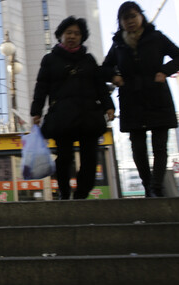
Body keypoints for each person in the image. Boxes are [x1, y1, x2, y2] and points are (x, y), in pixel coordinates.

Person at [102, 1, 179, 198]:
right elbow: (104, 68)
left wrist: (164, 71)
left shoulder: (156, 37)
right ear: (120, 22)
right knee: (138, 146)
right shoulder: (118, 44)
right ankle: (148, 185)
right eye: (125, 18)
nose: (130, 21)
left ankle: (157, 187)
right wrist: (114, 76)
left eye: (133, 16)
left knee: (160, 145)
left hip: (157, 96)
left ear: (141, 16)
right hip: (131, 99)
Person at [30, 16, 115, 200]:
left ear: (82, 37)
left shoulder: (88, 59)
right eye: (68, 32)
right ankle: (64, 192)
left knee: (90, 158)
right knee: (64, 158)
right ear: (60, 35)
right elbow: (41, 86)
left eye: (77, 33)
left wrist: (109, 106)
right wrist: (36, 112)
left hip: (89, 116)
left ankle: (82, 194)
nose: (72, 36)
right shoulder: (50, 59)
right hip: (63, 117)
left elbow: (99, 85)